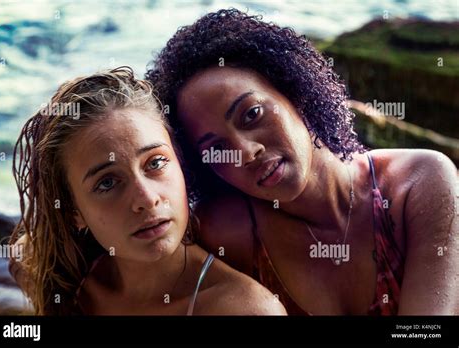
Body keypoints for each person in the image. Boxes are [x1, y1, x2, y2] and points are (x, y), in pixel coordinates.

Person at [146, 9, 459, 315]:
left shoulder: (417, 183)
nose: (246, 151)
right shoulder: (226, 232)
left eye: (252, 114)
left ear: (295, 91)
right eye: (216, 147)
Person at [9, 66, 287, 316]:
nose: (147, 199)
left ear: (180, 164)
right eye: (107, 182)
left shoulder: (243, 309)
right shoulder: (59, 279)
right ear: (73, 213)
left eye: (155, 162)